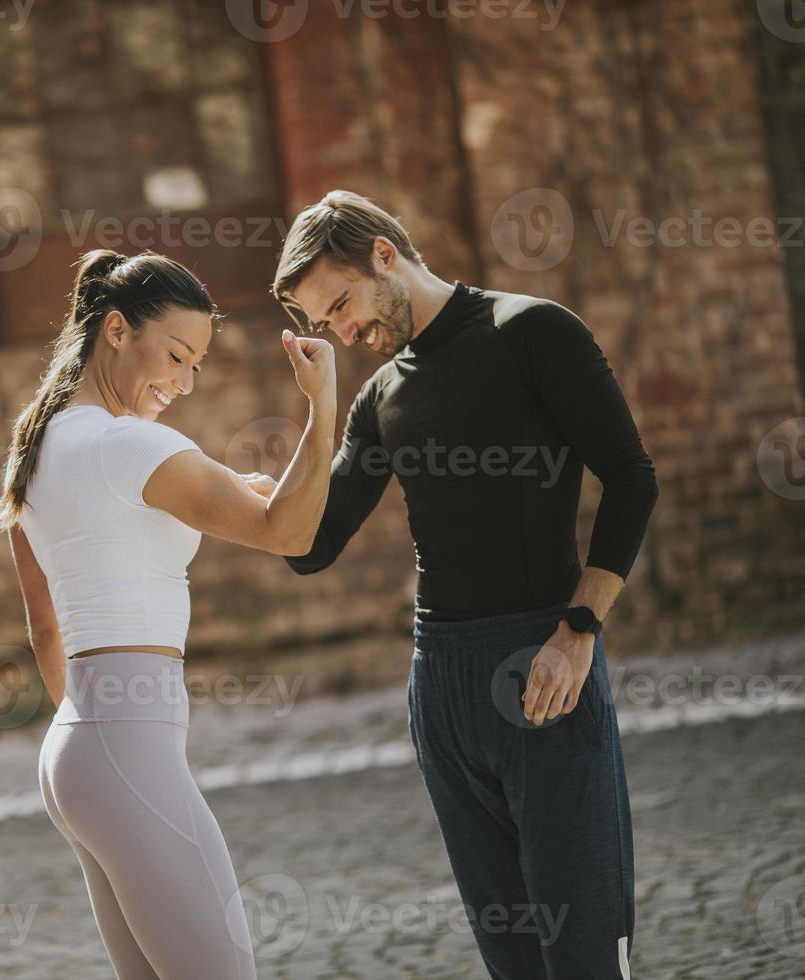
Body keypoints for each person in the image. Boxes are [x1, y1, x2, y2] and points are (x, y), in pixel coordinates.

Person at [273, 190, 659, 979]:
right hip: (440, 689)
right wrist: (319, 406)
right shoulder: (380, 396)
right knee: (513, 962)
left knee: (584, 954)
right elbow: (307, 548)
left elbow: (630, 478)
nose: (344, 332)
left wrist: (578, 632)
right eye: (325, 324)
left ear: (385, 253)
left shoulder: (532, 331)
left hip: (542, 668)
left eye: (341, 304)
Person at [0, 248, 336, 978]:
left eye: (196, 367)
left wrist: (97, 734)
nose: (182, 382)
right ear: (115, 330)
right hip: (124, 749)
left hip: (75, 751)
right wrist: (323, 402)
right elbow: (289, 531)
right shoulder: (132, 445)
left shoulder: (35, 447)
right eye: (174, 355)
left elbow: (45, 629)